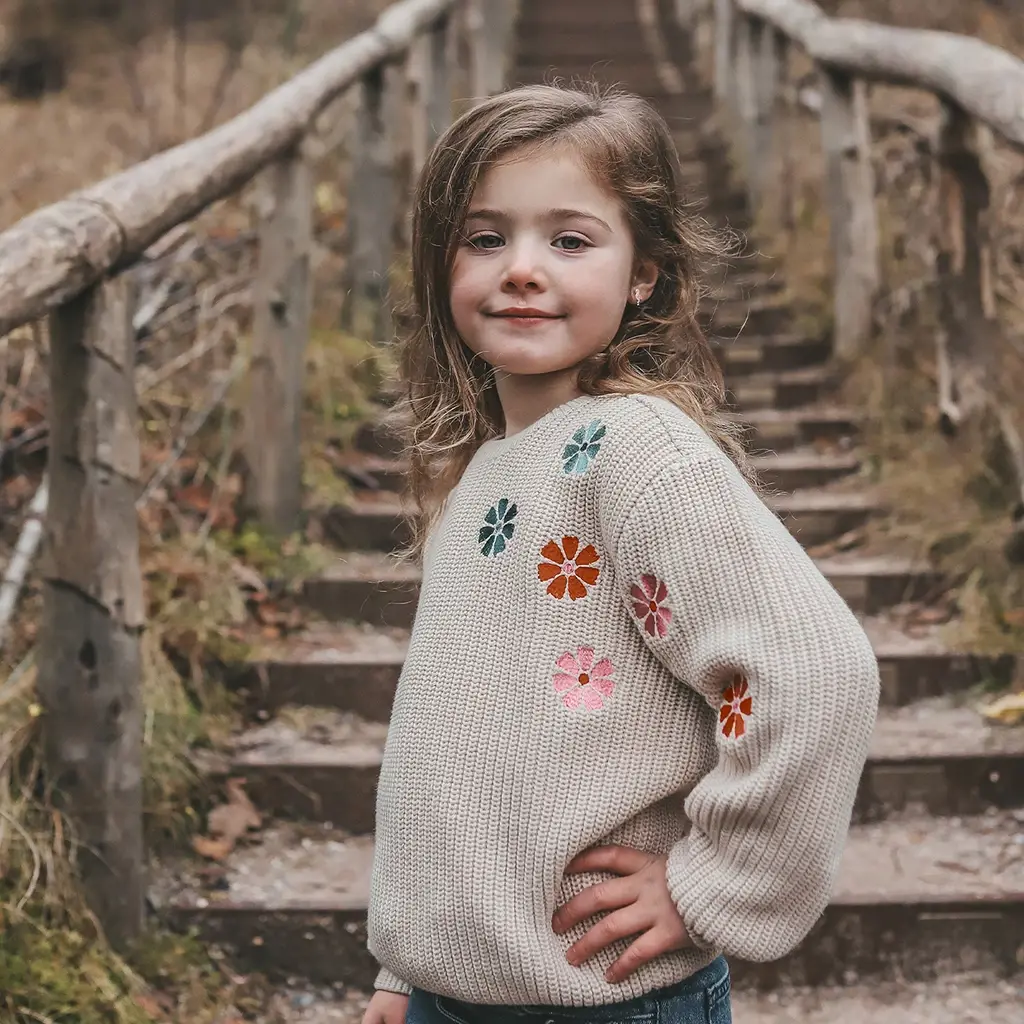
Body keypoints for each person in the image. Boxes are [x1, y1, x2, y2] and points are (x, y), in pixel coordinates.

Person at [362, 83, 880, 1024]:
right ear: (440, 262)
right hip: (456, 994)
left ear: (644, 270)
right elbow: (452, 747)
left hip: (596, 1000)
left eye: (569, 239)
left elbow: (815, 670)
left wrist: (712, 885)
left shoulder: (635, 453)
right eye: (485, 238)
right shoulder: (480, 474)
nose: (521, 269)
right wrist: (407, 967)